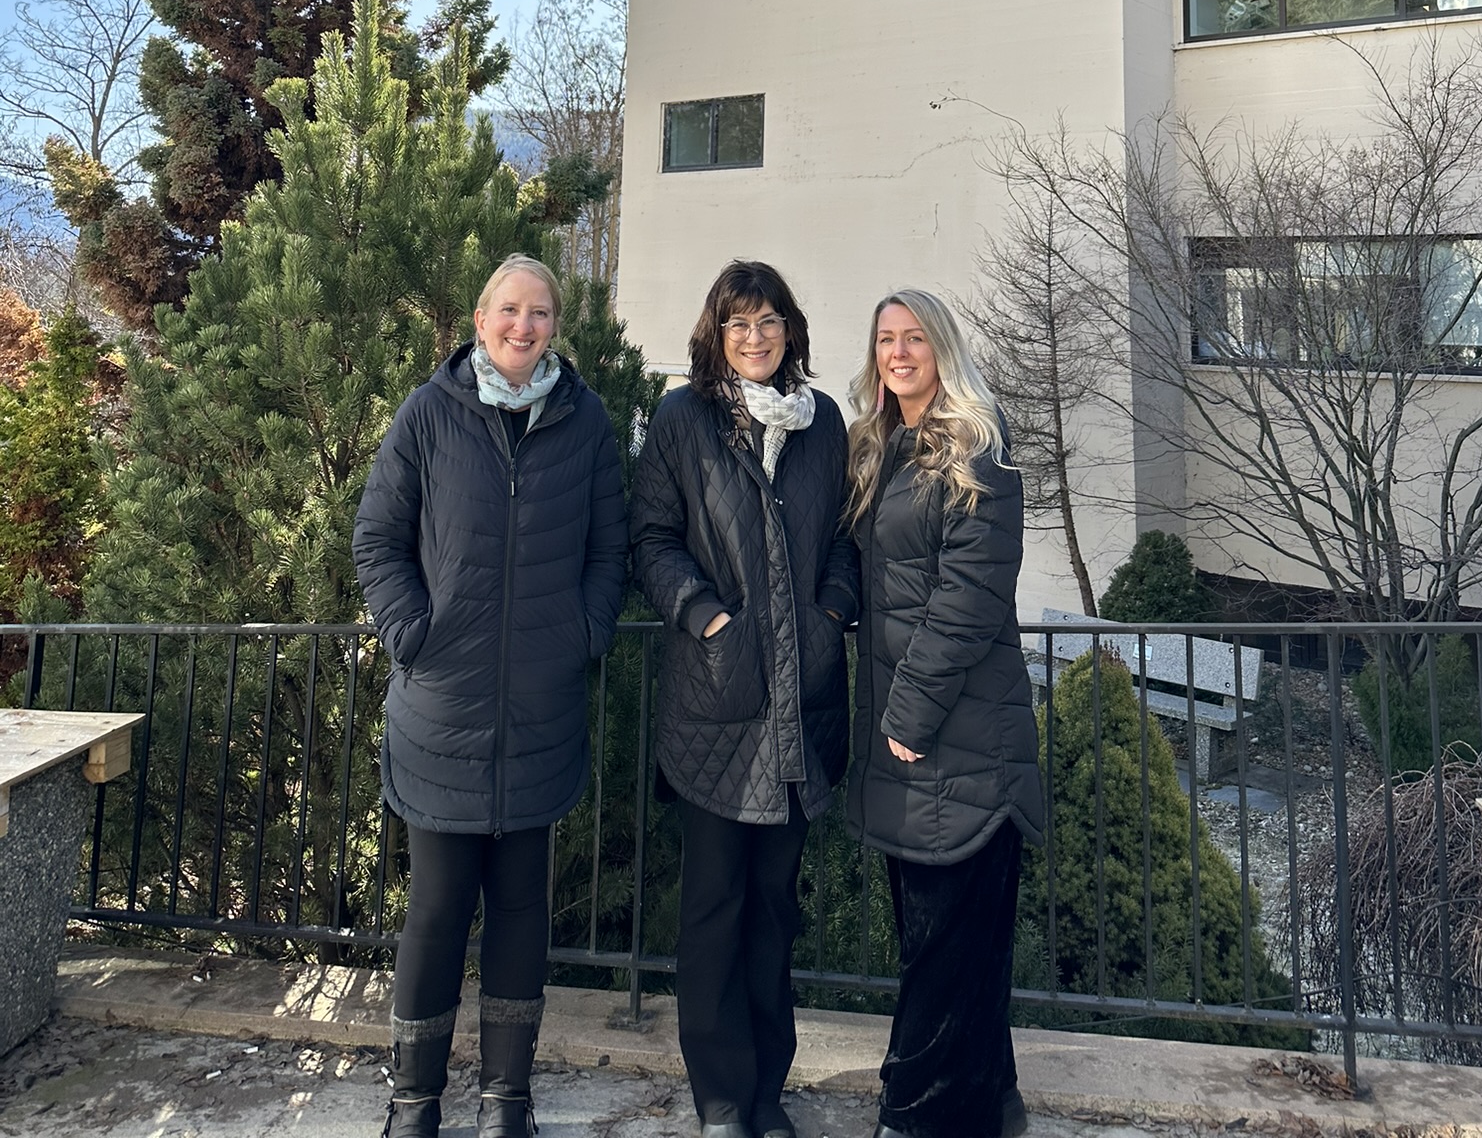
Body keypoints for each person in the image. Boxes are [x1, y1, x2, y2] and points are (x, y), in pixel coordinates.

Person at [353, 256, 627, 1138]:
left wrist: (581, 636)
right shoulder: (430, 415)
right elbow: (377, 539)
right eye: (510, 310)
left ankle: (508, 1098)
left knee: (519, 913)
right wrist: (413, 634)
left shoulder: (585, 424)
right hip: (442, 711)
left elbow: (608, 554)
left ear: (556, 325)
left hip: (542, 711)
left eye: (540, 312)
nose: (524, 325)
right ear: (480, 320)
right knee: (435, 913)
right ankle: (414, 1101)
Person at [630, 259, 859, 1138]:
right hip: (714, 711)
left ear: (791, 331)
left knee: (774, 913)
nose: (755, 337)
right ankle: (723, 1098)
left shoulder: (823, 424)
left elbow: (846, 536)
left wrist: (833, 607)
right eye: (738, 325)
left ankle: (769, 1090)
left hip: (802, 709)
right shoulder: (685, 420)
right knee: (715, 912)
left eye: (769, 322)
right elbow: (649, 537)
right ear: (715, 336)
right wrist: (706, 617)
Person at [845, 290, 1042, 1138]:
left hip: (957, 744)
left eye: (914, 338)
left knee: (941, 955)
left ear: (942, 349)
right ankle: (992, 1105)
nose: (899, 353)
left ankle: (918, 1117)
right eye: (886, 340)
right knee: (955, 953)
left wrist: (908, 718)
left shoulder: (977, 456)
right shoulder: (884, 449)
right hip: (917, 741)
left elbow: (966, 601)